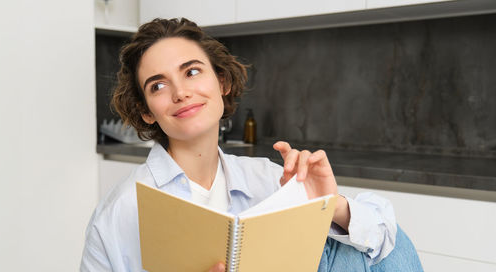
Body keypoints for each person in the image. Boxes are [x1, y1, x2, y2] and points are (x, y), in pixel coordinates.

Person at [81, 18, 423, 272]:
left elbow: (388, 245)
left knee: (382, 242)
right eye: (157, 86)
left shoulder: (267, 179)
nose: (180, 92)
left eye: (192, 72)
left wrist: (330, 206)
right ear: (146, 111)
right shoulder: (119, 213)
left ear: (223, 82)